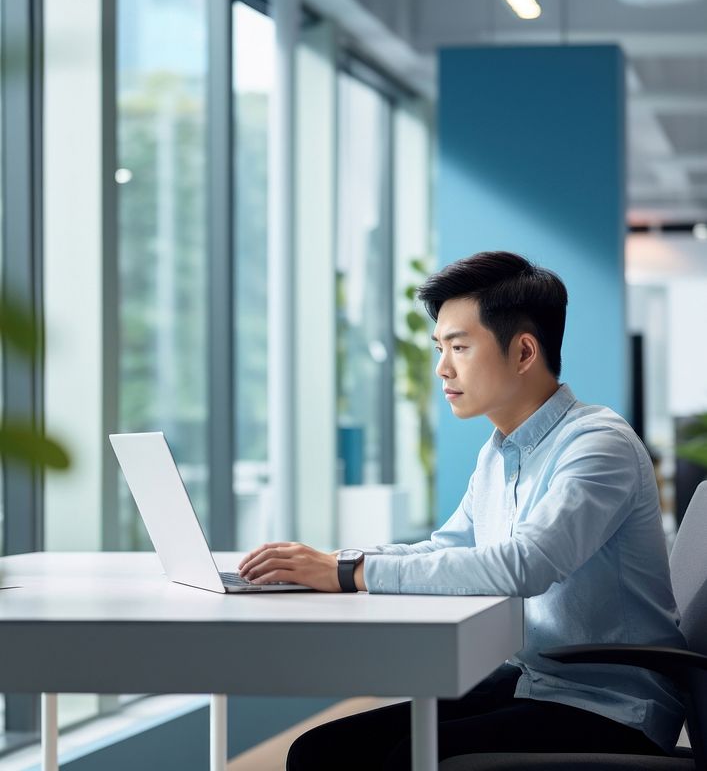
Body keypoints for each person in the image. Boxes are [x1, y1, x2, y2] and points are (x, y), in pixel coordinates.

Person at [238, 251, 685, 770]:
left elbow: (527, 565)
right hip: (535, 682)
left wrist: (348, 573)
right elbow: (447, 547)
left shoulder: (597, 444)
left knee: (410, 757)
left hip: (610, 706)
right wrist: (330, 561)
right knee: (321, 751)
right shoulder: (500, 450)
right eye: (439, 347)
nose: (441, 368)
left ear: (523, 352)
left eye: (459, 347)